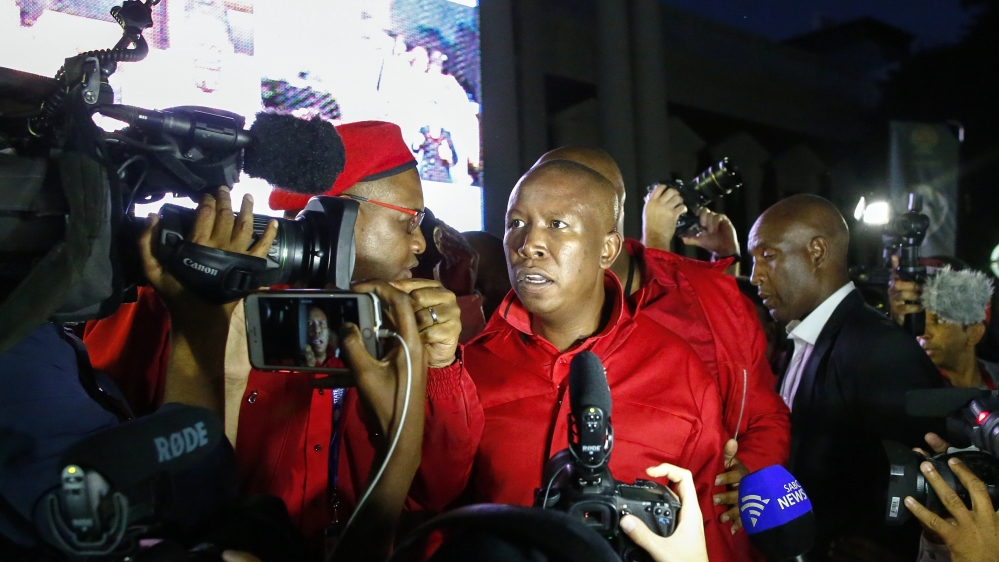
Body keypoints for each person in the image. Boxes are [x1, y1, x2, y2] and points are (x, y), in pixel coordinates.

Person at [84, 121, 484, 553]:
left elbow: (435, 491)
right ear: (338, 214)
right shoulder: (181, 298)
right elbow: (110, 469)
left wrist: (441, 367)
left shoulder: (396, 327)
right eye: (411, 222)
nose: (422, 244)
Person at [462, 159, 737, 561]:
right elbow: (429, 514)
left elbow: (713, 529)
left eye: (557, 225)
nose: (528, 244)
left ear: (607, 248)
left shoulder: (679, 371)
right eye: (516, 223)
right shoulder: (467, 367)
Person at [534, 148, 790, 542]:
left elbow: (765, 417)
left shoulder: (714, 298)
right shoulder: (515, 323)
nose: (536, 238)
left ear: (609, 214)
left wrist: (749, 472)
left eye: (559, 217)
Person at [747, 194, 944, 559]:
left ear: (817, 252)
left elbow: (923, 475)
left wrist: (882, 547)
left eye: (768, 256)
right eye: (754, 260)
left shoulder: (879, 347)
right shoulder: (800, 342)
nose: (756, 275)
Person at [894, 266, 997, 389]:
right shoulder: (910, 389)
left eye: (939, 320)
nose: (923, 333)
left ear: (974, 333)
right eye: (919, 321)